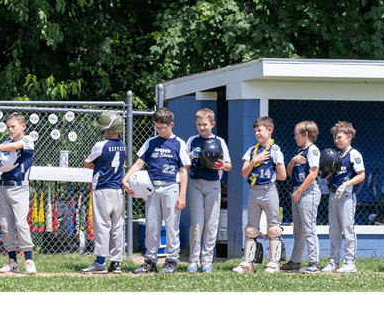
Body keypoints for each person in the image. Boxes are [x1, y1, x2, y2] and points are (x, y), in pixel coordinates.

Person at [122, 107, 191, 274]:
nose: (159, 130)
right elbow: (139, 162)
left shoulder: (179, 143)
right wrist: (126, 177)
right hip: (152, 188)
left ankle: (171, 261)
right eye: (157, 127)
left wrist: (182, 195)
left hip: (171, 187)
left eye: (162, 127)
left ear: (171, 124)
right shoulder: (151, 142)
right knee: (152, 225)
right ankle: (150, 261)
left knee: (171, 226)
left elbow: (183, 170)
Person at [0, 113, 37, 274]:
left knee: (21, 223)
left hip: (20, 188)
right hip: (4, 187)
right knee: (6, 225)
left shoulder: (27, 140)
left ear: (23, 126)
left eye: (13, 126)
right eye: (8, 127)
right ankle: (12, 261)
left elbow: (15, 147)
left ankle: (28, 259)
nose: (10, 129)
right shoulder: (5, 144)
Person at [233, 116, 287, 274]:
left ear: (269, 130)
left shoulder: (275, 150)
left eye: (260, 130)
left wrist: (268, 176)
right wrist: (254, 160)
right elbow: (244, 173)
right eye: (255, 131)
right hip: (253, 191)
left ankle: (274, 263)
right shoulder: (252, 151)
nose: (257, 133)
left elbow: (283, 175)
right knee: (251, 229)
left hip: (269, 191)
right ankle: (248, 263)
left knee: (274, 228)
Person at [184, 108, 232, 273]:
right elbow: (184, 165)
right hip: (196, 183)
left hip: (213, 185)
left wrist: (221, 165)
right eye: (199, 124)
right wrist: (191, 156)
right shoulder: (192, 140)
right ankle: (193, 260)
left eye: (205, 124)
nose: (202, 128)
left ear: (212, 124)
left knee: (211, 224)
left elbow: (228, 165)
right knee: (196, 224)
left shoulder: (219, 141)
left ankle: (207, 261)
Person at [81, 112, 128, 274]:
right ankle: (116, 263)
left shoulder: (100, 145)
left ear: (108, 128)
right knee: (117, 226)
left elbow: (87, 162)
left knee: (102, 225)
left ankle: (100, 262)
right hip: (117, 191)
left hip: (102, 189)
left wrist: (99, 165)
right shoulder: (123, 145)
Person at [323, 121, 365, 273]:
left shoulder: (354, 154)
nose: (336, 140)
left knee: (347, 228)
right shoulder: (336, 155)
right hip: (333, 194)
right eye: (335, 137)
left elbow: (361, 175)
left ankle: (349, 261)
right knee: (334, 229)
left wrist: (346, 184)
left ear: (349, 136)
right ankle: (334, 260)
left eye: (339, 137)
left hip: (346, 195)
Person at [283, 121, 322, 274]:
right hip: (298, 191)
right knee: (298, 229)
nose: (294, 137)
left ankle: (314, 262)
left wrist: (299, 192)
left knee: (308, 228)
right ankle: (295, 261)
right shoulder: (300, 151)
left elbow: (313, 174)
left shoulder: (313, 150)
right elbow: (288, 172)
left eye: (297, 134)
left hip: (307, 191)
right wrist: (292, 160)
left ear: (305, 134)